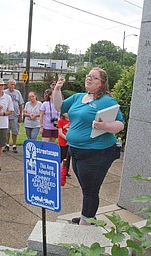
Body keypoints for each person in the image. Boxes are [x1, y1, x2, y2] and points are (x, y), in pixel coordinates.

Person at [53, 68, 124, 225]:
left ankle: (85, 224)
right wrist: (57, 89)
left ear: (102, 83)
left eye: (94, 77)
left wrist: (105, 126)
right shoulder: (78, 97)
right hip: (76, 151)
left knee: (91, 190)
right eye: (88, 76)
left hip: (96, 153)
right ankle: (88, 216)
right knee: (86, 188)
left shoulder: (106, 101)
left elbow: (120, 124)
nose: (89, 79)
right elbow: (59, 107)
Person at [3, 79, 24, 153]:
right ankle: (7, 145)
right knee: (7, 132)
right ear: (8, 84)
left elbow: (21, 104)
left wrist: (20, 115)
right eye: (11, 84)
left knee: (15, 131)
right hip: (6, 116)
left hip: (15, 115)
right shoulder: (4, 92)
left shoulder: (17, 93)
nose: (12, 86)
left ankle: (14, 145)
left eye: (14, 85)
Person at [57, 113, 71, 177]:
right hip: (62, 142)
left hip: (70, 142)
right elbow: (60, 132)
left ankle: (65, 171)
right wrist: (67, 139)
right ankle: (57, 169)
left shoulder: (72, 120)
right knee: (62, 156)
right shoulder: (60, 121)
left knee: (68, 157)